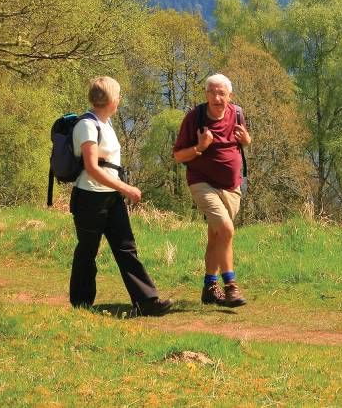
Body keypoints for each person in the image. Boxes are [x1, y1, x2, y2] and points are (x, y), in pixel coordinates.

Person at [69, 76, 172, 316]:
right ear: (111, 99)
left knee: (126, 248)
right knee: (87, 250)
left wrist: (118, 190)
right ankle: (81, 304)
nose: (120, 99)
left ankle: (147, 302)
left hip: (110, 197)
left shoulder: (106, 124)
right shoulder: (87, 125)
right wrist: (125, 188)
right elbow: (92, 168)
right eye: (119, 95)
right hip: (89, 198)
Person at [173, 73, 252, 307]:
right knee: (226, 229)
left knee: (216, 236)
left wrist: (247, 141)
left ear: (230, 95)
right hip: (201, 182)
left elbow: (242, 142)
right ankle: (231, 287)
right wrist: (200, 147)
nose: (217, 97)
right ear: (206, 94)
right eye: (212, 92)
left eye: (222, 93)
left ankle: (209, 287)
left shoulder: (237, 114)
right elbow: (178, 156)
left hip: (232, 186)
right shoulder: (194, 118)